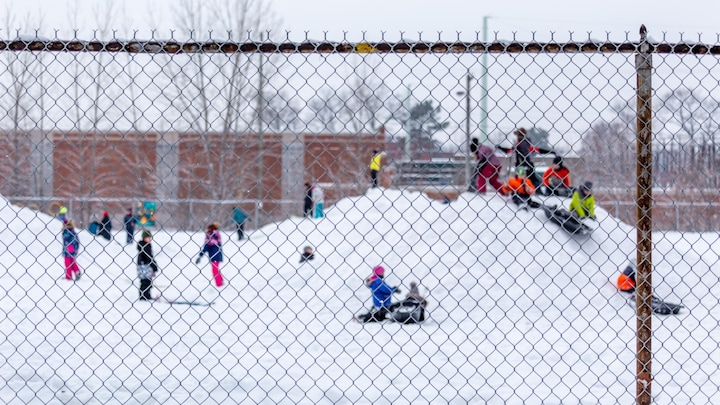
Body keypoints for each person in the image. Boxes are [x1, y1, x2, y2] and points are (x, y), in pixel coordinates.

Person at [196, 222, 224, 287]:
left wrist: (200, 255)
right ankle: (221, 281)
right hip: (218, 255)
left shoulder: (210, 235)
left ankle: (219, 284)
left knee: (214, 270)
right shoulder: (217, 234)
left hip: (213, 256)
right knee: (216, 269)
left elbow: (206, 247)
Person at [137, 230, 158, 301]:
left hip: (144, 265)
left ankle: (146, 295)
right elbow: (149, 257)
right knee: (145, 281)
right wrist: (154, 265)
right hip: (145, 265)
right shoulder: (145, 246)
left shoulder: (145, 245)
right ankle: (144, 296)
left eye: (150, 237)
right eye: (148, 237)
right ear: (144, 238)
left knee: (147, 281)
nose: (150, 239)